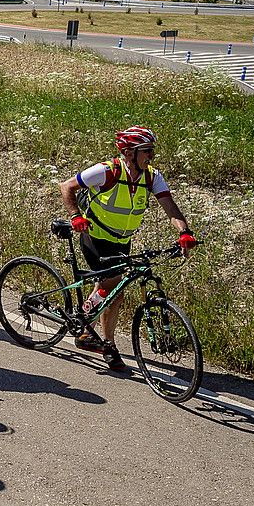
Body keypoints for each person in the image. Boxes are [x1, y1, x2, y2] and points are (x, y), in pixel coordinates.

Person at [58, 126, 196, 371]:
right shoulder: (107, 171)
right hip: (95, 236)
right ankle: (106, 344)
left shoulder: (152, 176)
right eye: (147, 151)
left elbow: (169, 206)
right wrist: (75, 217)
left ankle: (84, 317)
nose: (151, 156)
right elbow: (66, 186)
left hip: (122, 240)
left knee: (111, 287)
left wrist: (184, 232)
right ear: (129, 152)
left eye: (152, 150)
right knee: (114, 289)